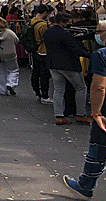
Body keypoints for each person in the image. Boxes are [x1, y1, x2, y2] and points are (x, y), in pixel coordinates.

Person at [63, 21, 106, 198]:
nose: (96, 35)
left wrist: (95, 112)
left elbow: (99, 86)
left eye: (99, 31)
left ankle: (86, 184)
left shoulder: (101, 55)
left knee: (99, 146)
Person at [44, 12, 93, 125]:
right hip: (69, 65)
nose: (70, 24)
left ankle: (59, 115)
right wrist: (90, 55)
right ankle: (81, 114)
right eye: (68, 22)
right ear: (62, 22)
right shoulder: (66, 34)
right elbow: (74, 49)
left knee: (58, 90)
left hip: (53, 64)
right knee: (81, 88)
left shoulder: (47, 32)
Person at [0, 17, 20, 96]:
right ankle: (11, 83)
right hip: (10, 54)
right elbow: (16, 40)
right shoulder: (10, 33)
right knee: (13, 70)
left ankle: (2, 90)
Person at [30, 5, 54, 104]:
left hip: (35, 50)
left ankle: (37, 93)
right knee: (44, 75)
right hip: (43, 50)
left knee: (36, 73)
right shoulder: (43, 25)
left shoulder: (32, 21)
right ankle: (45, 95)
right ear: (45, 13)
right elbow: (47, 38)